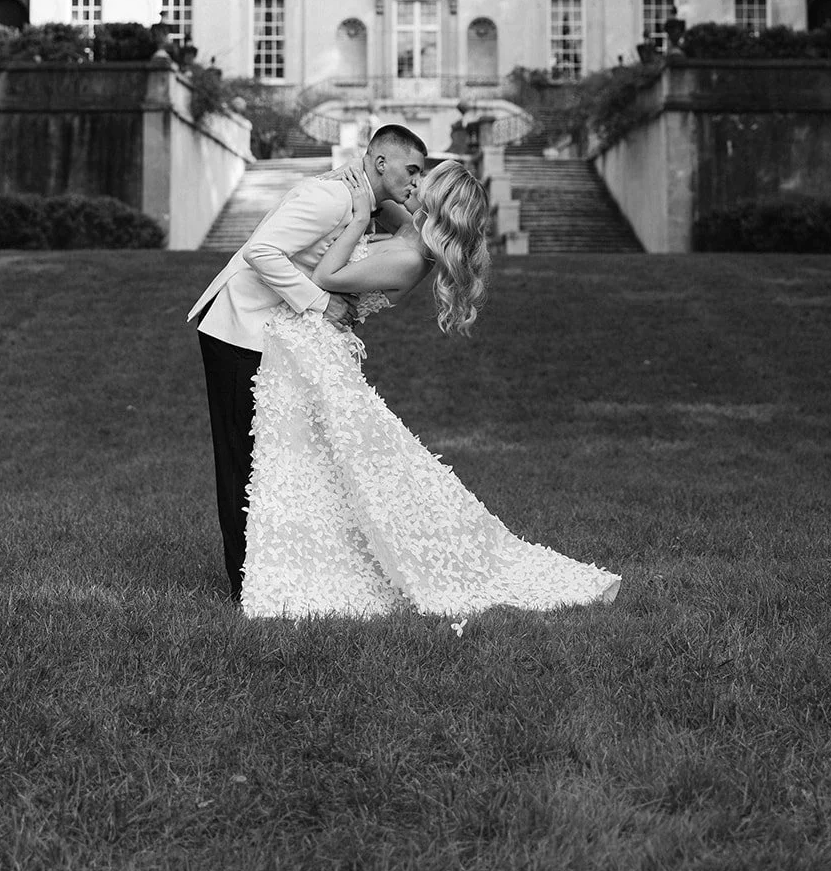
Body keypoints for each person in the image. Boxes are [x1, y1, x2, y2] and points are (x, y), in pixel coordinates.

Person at [241, 159, 621, 620]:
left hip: (315, 348)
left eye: (425, 181)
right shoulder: (412, 233)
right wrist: (364, 183)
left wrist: (360, 218)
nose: (414, 183)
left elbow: (325, 279)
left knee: (320, 463)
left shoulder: (406, 258)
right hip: (305, 344)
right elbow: (396, 206)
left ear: (437, 203)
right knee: (318, 463)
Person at [186, 124, 428, 600]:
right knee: (241, 461)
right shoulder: (333, 199)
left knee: (273, 460)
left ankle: (272, 564)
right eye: (412, 170)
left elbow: (412, 220)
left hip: (272, 335)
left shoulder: (368, 200)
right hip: (238, 328)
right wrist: (320, 303)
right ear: (380, 163)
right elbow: (260, 251)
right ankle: (245, 584)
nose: (416, 181)